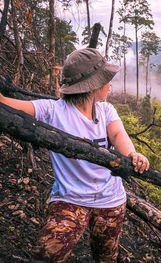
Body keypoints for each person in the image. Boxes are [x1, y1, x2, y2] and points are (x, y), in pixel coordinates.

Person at [0, 48, 149, 262]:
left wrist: (132, 155)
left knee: (106, 257)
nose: (109, 84)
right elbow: (8, 106)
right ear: (93, 86)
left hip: (110, 200)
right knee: (47, 255)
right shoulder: (53, 111)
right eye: (106, 79)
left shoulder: (106, 111)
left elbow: (118, 134)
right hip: (69, 200)